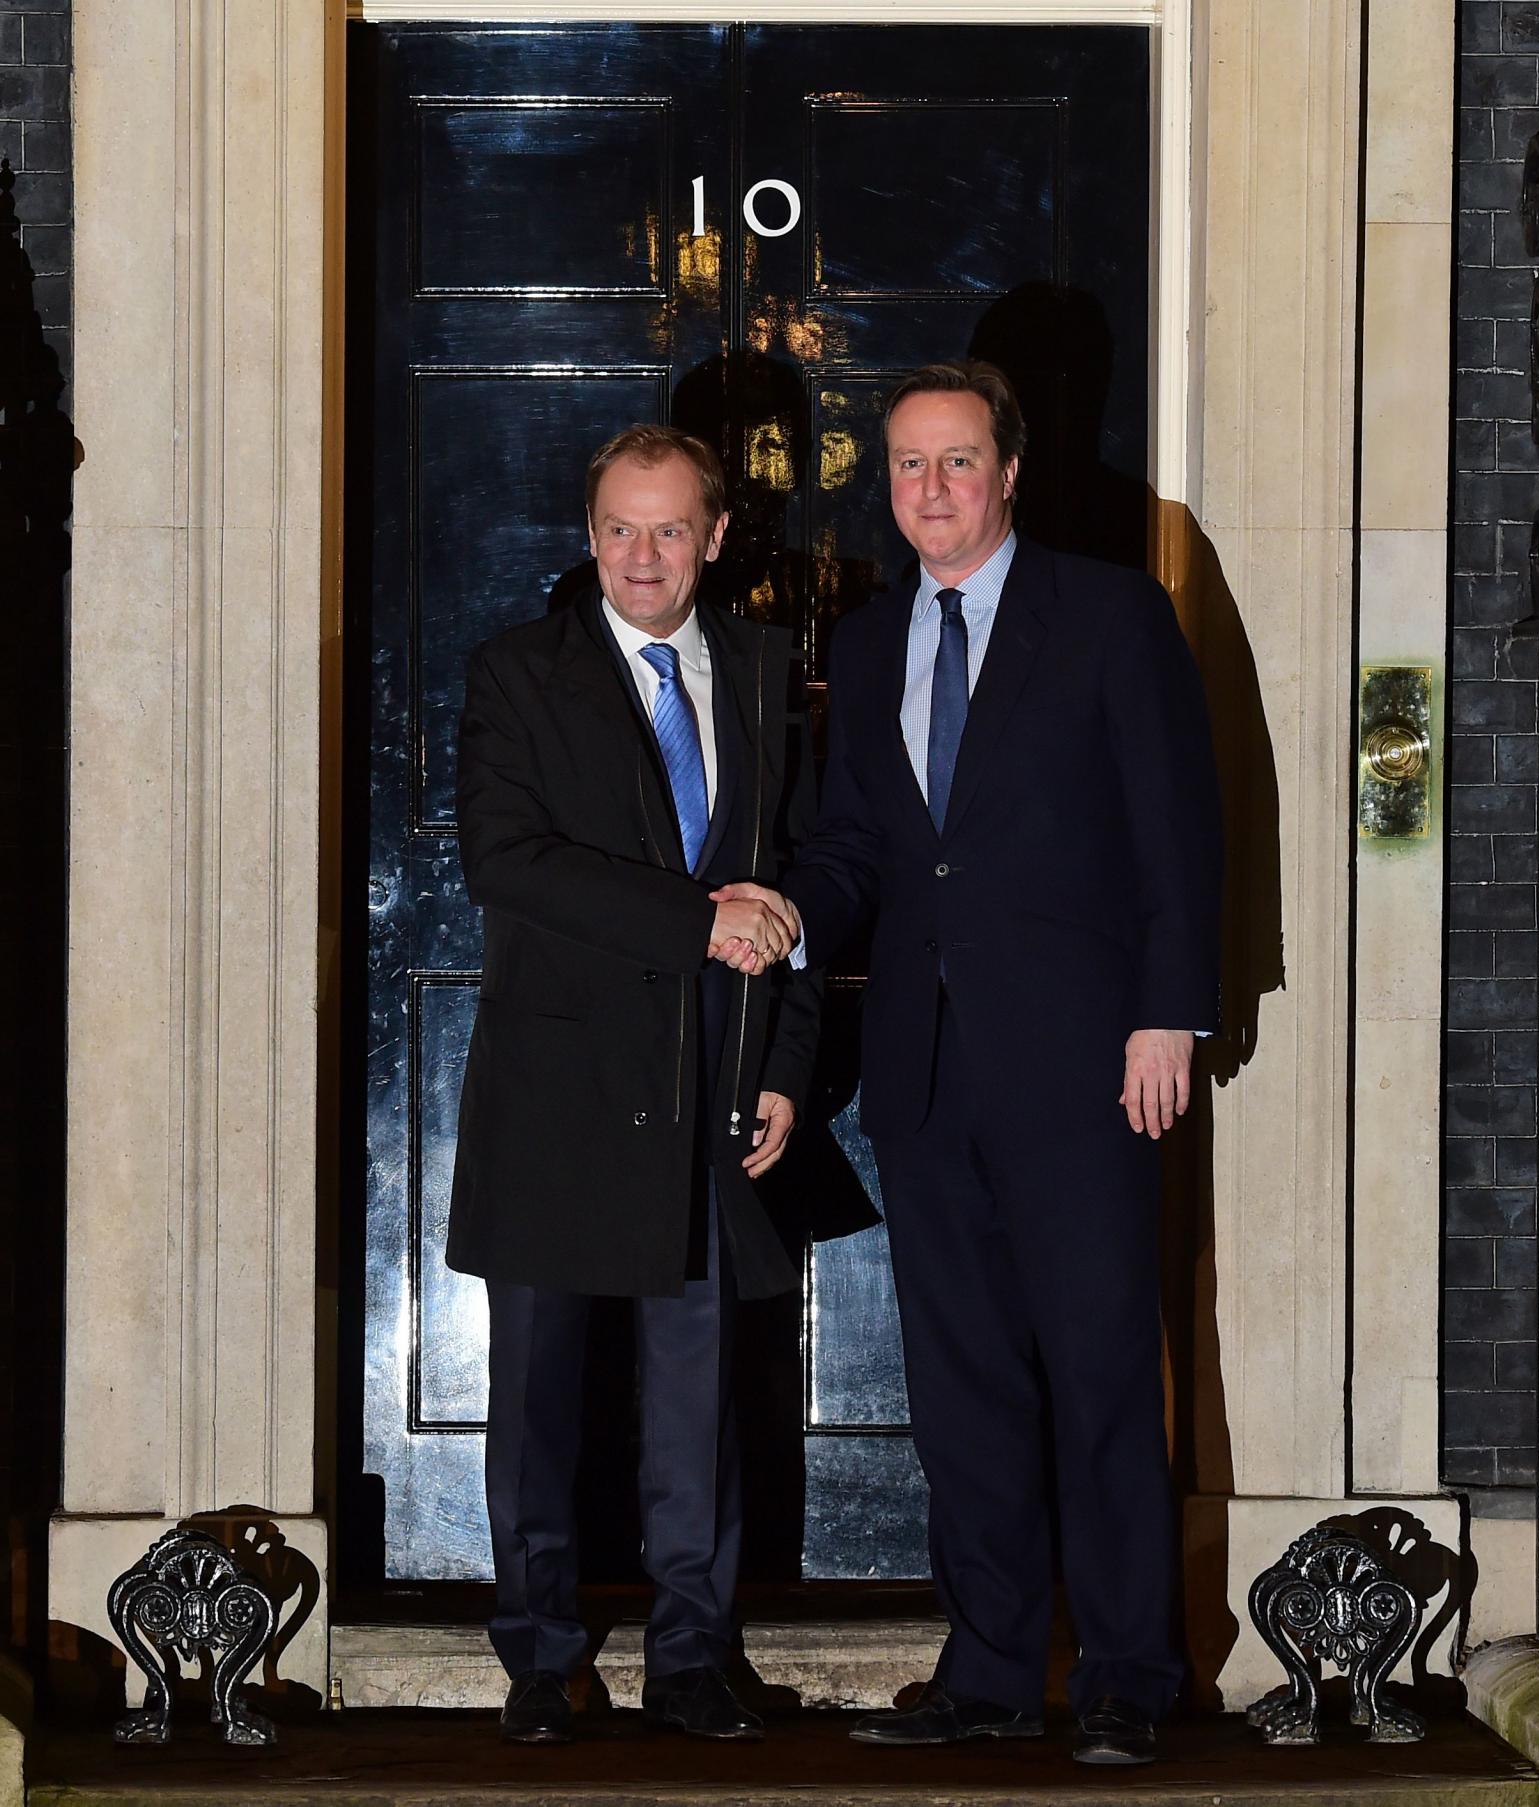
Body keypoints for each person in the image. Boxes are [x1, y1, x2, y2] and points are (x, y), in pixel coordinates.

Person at [723, 360, 1223, 1765]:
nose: (929, 489)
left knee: (1105, 1372)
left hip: (1088, 1065)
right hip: (927, 1076)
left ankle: (1129, 1670)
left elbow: (1177, 826)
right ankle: (994, 1669)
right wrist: (789, 908)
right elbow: (867, 850)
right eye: (904, 465)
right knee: (963, 1390)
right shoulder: (876, 641)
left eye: (954, 462)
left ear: (1009, 473)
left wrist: (1169, 1016)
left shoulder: (1112, 616)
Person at [451, 423, 820, 1745]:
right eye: (619, 528)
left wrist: (784, 1065)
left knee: (697, 1404)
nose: (642, 556)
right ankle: (542, 1659)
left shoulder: (770, 674)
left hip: (713, 1094)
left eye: (669, 530)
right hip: (558, 1094)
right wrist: (691, 924)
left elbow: (793, 883)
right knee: (540, 1401)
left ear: (716, 537)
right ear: (588, 533)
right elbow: (506, 859)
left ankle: (692, 1658)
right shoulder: (519, 672)